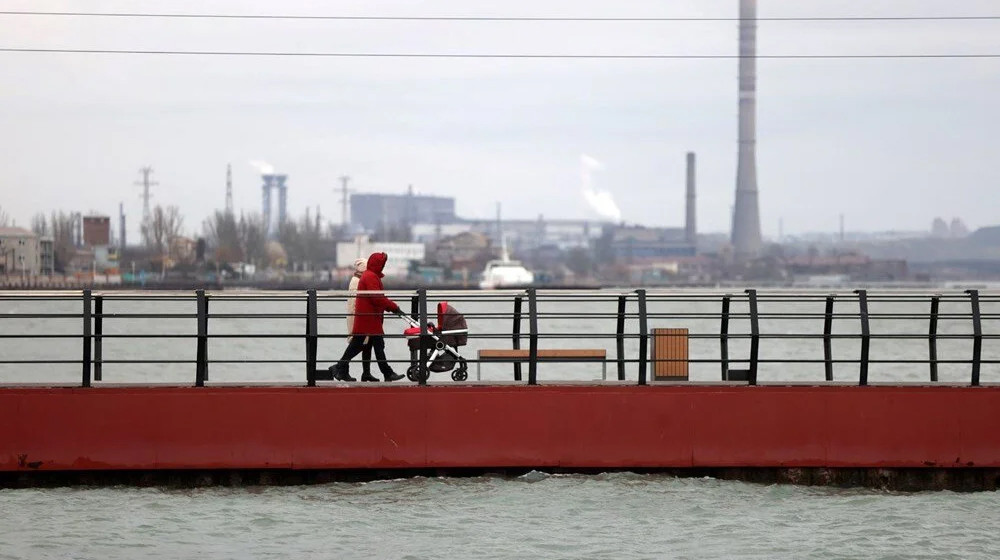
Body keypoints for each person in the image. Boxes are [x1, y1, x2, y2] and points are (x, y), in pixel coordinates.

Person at [330, 252, 406, 382]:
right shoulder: (371, 277)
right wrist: (393, 307)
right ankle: (387, 373)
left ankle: (340, 366)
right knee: (375, 345)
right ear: (378, 265)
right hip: (369, 318)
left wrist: (390, 306)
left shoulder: (369, 276)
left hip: (367, 317)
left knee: (361, 345)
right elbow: (377, 298)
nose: (383, 266)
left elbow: (376, 297)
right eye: (382, 264)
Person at [345, 258, 375, 382]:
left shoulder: (357, 280)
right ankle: (341, 367)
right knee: (357, 344)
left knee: (367, 344)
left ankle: (366, 372)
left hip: (362, 317)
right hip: (358, 318)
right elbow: (354, 303)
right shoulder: (357, 282)